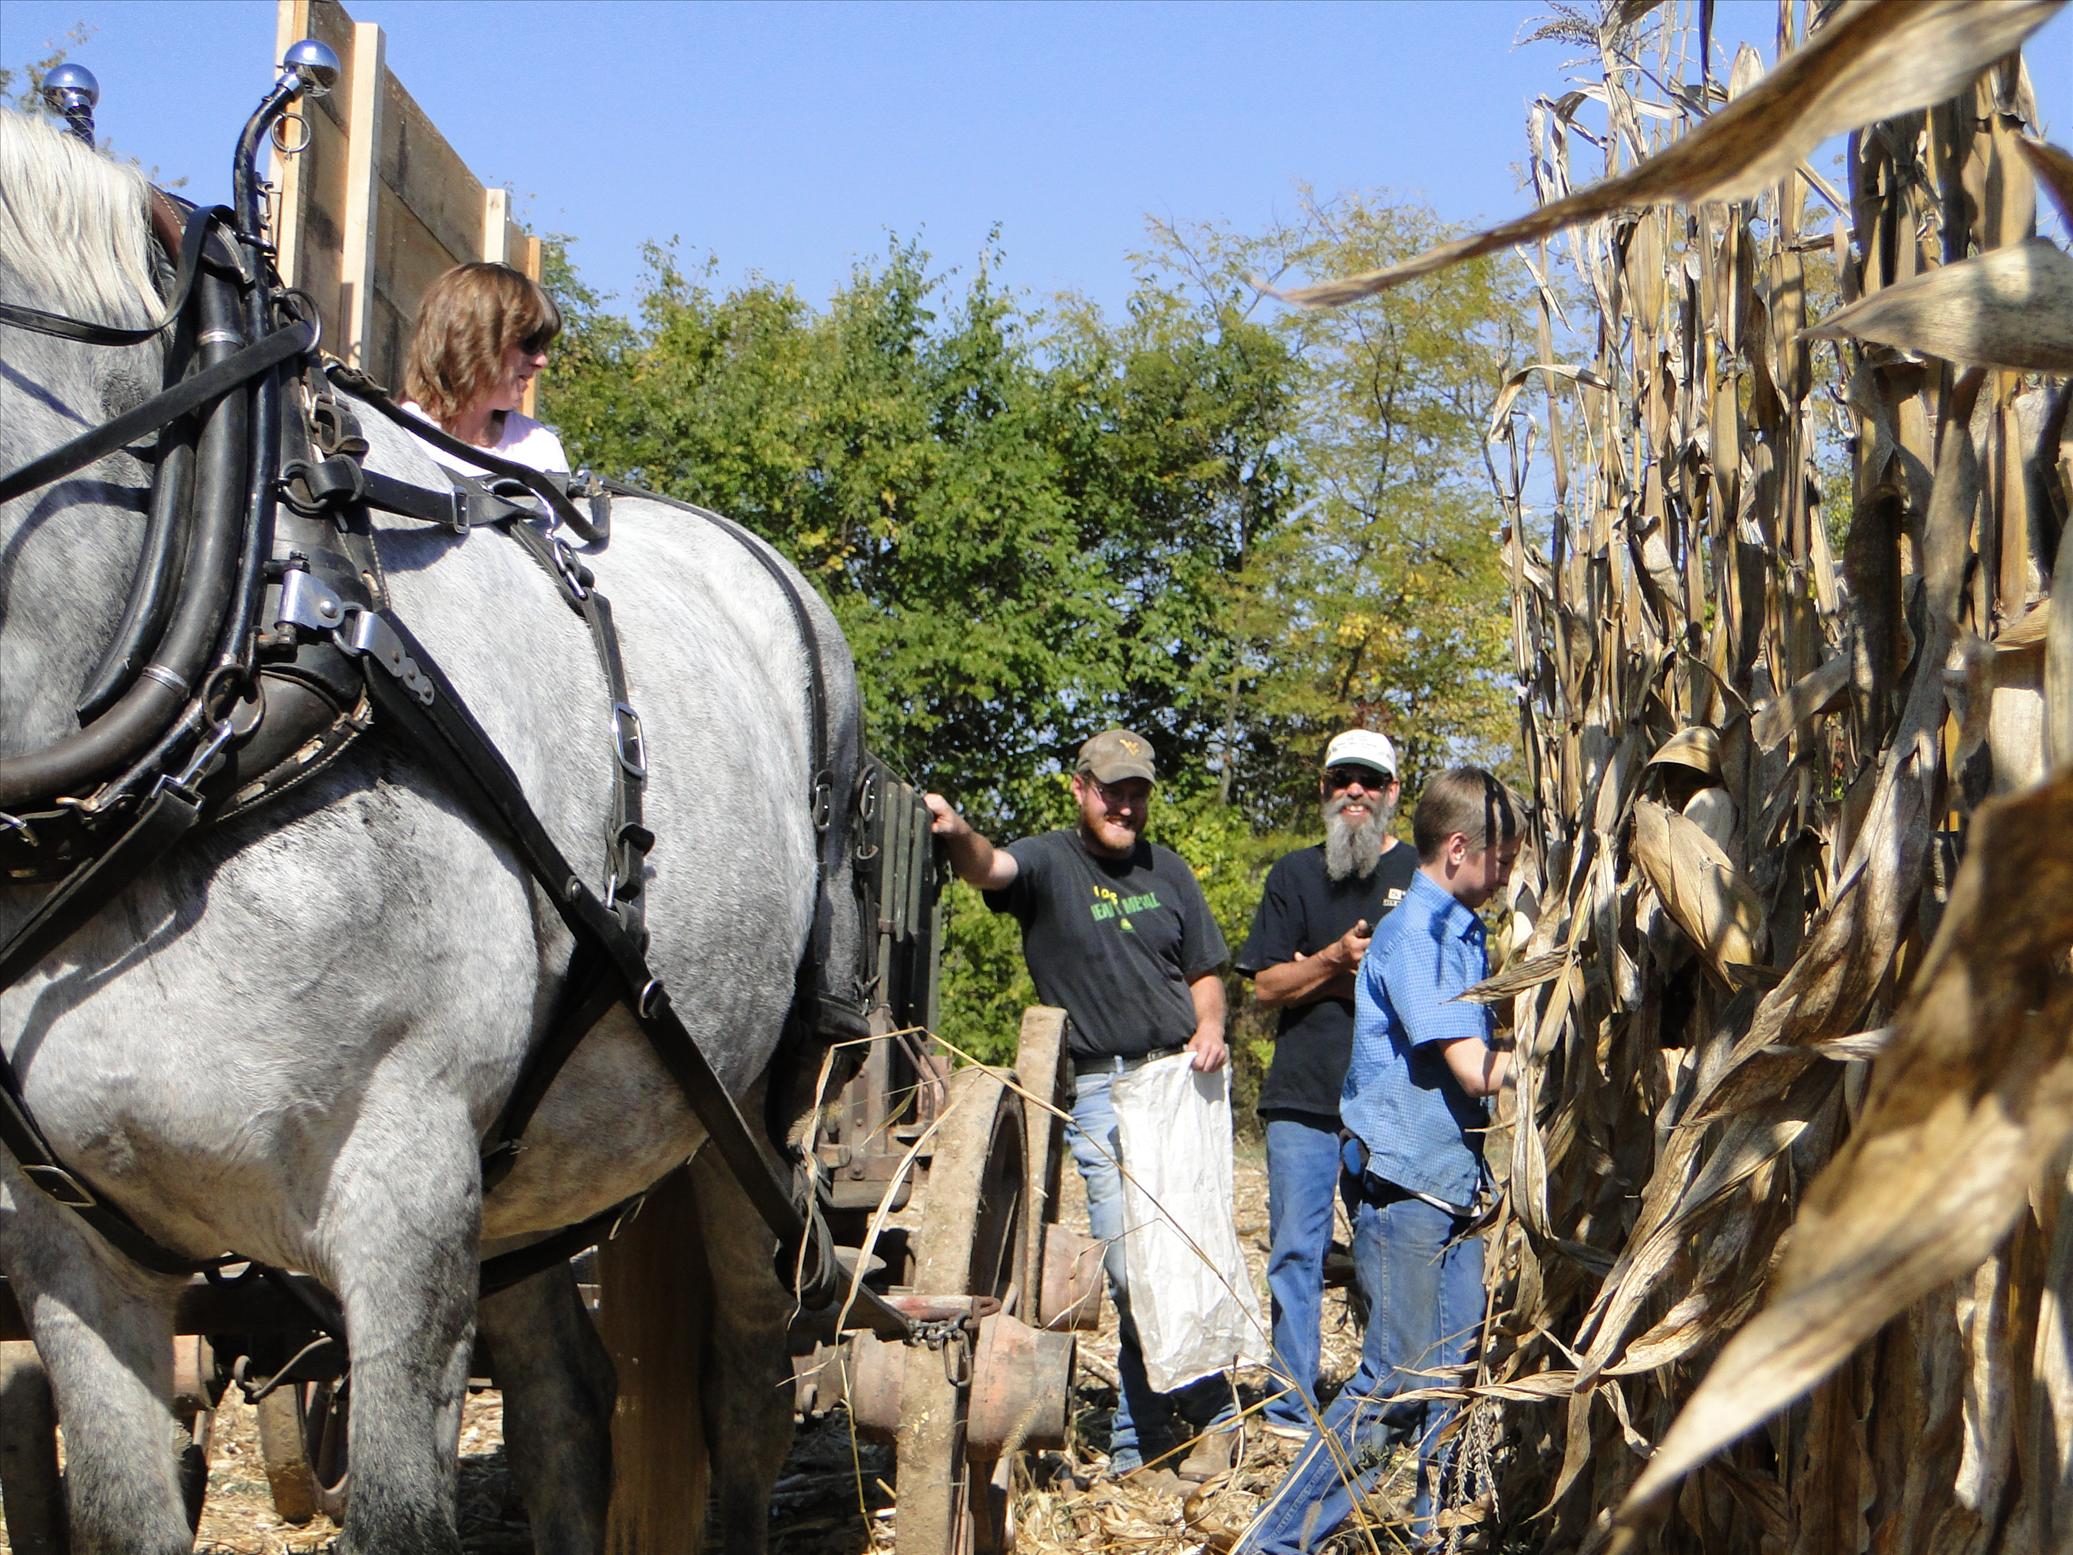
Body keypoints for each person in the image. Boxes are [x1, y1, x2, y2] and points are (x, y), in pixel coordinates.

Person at [925, 729, 1240, 1480]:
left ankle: (1162, 1429)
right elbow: (988, 867)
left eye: (1136, 793)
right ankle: (1186, 1414)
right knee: (1129, 1263)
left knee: (1189, 1255)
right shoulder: (1046, 862)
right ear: (1079, 789)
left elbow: (1204, 971)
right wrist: (957, 829)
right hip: (1101, 1088)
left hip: (1181, 1084)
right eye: (1111, 791)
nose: (1124, 806)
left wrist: (1211, 1026)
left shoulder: (1169, 871)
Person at [1241, 766, 1524, 1554]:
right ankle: (1277, 1541)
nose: (1507, 876)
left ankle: (1440, 1535)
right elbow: (1473, 1069)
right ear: (1460, 848)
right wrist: (1570, 1051)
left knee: (1452, 1382)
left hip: (1452, 1187)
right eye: (1502, 859)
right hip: (1407, 1190)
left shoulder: (1461, 930)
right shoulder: (1418, 935)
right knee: (1395, 1383)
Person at [1235, 729, 1417, 1440]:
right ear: (1324, 788)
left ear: (1391, 792)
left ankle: (1389, 1400)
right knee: (1294, 1251)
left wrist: (1324, 971)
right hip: (1302, 1097)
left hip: (1391, 1098)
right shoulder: (1293, 875)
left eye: (1368, 780)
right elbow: (1266, 985)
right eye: (1342, 778)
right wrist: (1335, 961)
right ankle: (1290, 1402)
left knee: (1385, 1248)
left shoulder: (1421, 874)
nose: (1354, 791)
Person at [400, 260, 569, 476]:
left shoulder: (541, 449)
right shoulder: (401, 437)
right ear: (471, 342)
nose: (541, 361)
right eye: (530, 343)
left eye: (544, 346)